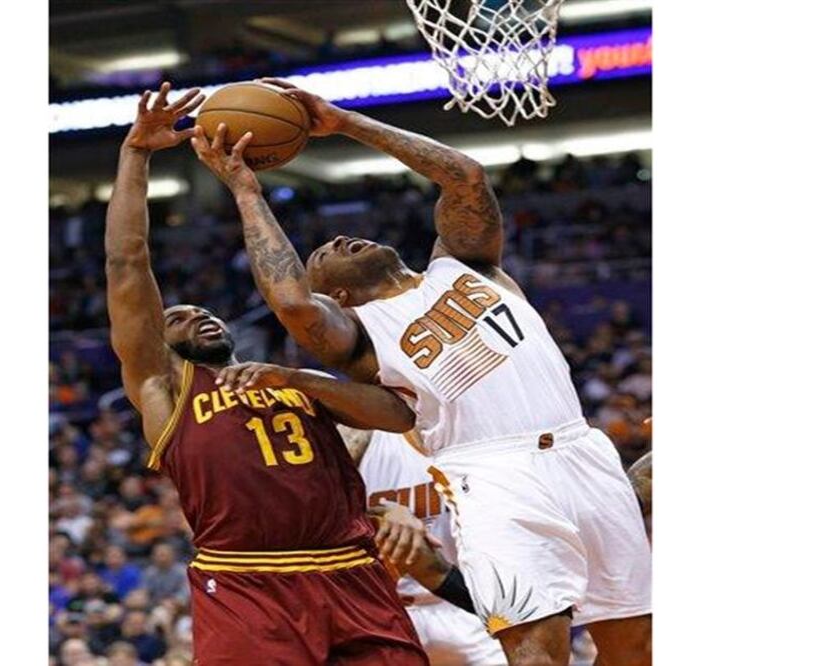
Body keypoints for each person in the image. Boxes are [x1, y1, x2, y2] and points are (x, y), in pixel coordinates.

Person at [190, 79, 651, 665]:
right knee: (537, 651)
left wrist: (346, 122)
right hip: (491, 474)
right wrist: (245, 189)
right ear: (336, 294)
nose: (337, 238)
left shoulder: (465, 266)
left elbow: (465, 177)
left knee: (636, 644)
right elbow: (293, 303)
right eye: (324, 253)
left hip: (582, 450)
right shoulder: (361, 335)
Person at [106, 82, 426, 664]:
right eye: (178, 317)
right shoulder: (166, 387)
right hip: (246, 584)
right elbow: (127, 262)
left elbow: (397, 413)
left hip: (351, 571)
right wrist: (137, 154)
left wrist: (298, 380)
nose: (198, 313)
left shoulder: (288, 381)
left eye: (204, 310)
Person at [354, 428, 508, 665]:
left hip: (464, 604)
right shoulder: (358, 438)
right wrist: (381, 516)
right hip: (387, 612)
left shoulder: (477, 439)